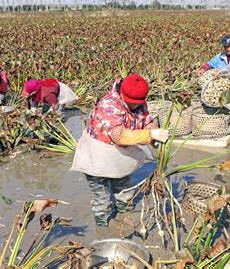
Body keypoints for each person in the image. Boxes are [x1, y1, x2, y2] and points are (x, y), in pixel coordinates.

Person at [70, 74, 168, 227]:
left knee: (125, 193)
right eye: (132, 103)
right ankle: (103, 228)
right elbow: (120, 136)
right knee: (102, 201)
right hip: (96, 156)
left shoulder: (140, 104)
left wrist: (155, 133)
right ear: (123, 94)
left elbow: (146, 121)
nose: (136, 106)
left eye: (138, 103)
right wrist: (150, 135)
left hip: (118, 156)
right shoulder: (109, 105)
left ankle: (123, 221)